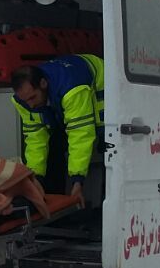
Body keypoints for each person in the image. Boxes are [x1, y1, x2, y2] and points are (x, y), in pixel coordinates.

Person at [10, 54, 105, 202]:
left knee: (109, 147)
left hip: (101, 84)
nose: (30, 105)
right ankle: (54, 199)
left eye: (33, 98)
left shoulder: (72, 90)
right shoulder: (24, 100)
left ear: (43, 84)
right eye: (25, 100)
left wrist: (77, 181)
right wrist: (36, 179)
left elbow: (80, 134)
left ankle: (103, 207)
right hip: (63, 91)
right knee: (55, 144)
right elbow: (35, 140)